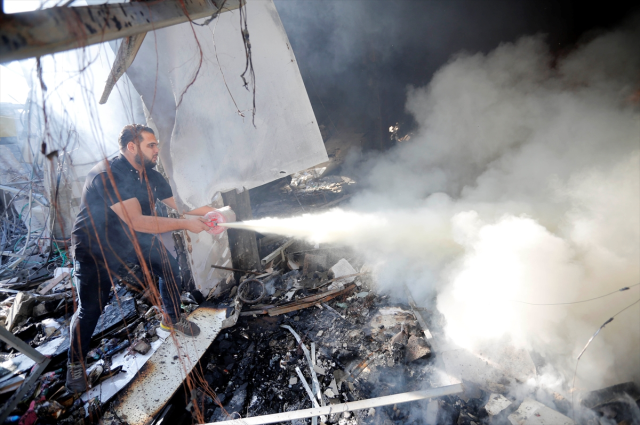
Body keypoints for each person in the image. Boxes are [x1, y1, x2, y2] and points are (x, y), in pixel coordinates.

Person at [66, 124, 216, 392]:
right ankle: (75, 363)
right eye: (151, 145)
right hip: (94, 247)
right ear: (131, 147)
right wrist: (184, 224)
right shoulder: (107, 175)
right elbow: (137, 221)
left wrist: (210, 214)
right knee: (92, 308)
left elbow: (180, 206)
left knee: (169, 268)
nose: (157, 150)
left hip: (130, 239)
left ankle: (172, 318)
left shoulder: (149, 174)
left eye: (157, 145)